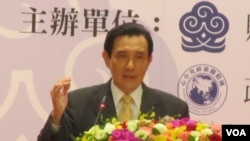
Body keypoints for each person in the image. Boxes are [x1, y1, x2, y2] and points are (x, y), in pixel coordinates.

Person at [37, 23, 189, 141]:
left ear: (149, 61)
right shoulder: (77, 104)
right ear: (106, 58)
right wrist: (57, 118)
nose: (130, 65)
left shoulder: (174, 109)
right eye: (122, 56)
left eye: (139, 57)